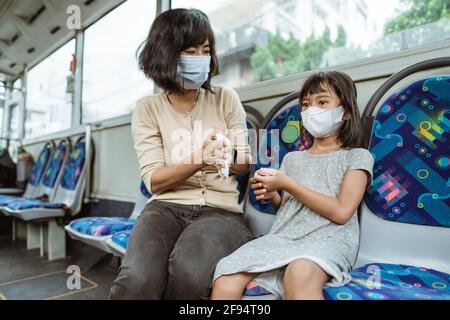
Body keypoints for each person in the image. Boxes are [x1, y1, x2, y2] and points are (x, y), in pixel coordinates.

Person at [109, 8, 253, 300]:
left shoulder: (226, 99)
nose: (200, 59)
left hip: (221, 212)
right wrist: (200, 157)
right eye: (190, 51)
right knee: (138, 279)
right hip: (165, 207)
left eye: (205, 50)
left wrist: (229, 155)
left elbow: (244, 163)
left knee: (190, 271)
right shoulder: (147, 109)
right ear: (166, 54)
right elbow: (155, 181)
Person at [211, 70, 374, 300]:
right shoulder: (292, 159)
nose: (311, 110)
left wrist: (287, 184)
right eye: (306, 105)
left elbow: (342, 212)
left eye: (322, 102)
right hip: (284, 237)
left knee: (299, 273)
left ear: (345, 112)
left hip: (329, 240)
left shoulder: (357, 157)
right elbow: (289, 210)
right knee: (226, 273)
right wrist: (273, 194)